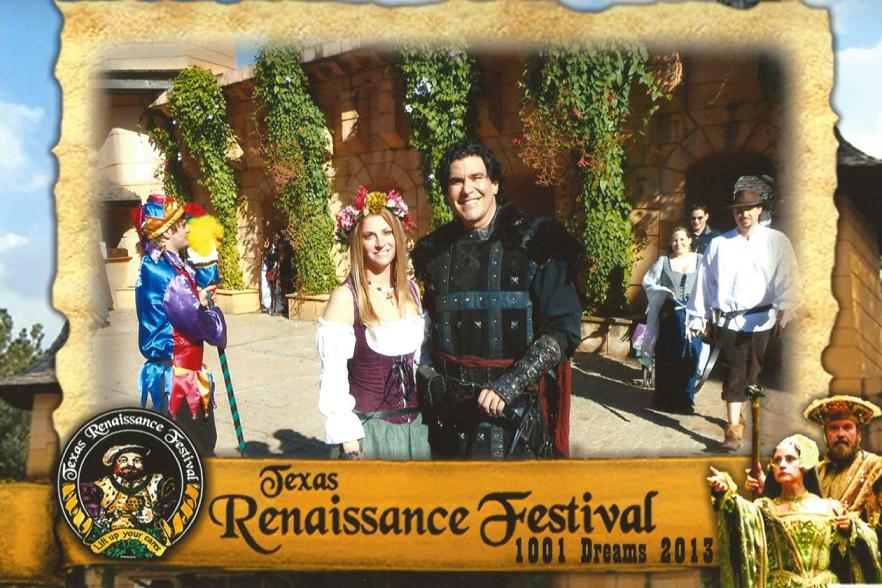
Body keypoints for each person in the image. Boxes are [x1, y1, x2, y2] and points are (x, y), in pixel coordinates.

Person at [412, 139, 584, 459]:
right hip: (449, 423)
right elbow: (424, 329)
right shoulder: (432, 252)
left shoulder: (536, 241)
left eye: (476, 177)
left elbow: (563, 329)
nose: (467, 189)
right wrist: (430, 378)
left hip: (515, 421)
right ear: (447, 192)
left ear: (494, 183)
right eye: (457, 181)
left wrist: (509, 384)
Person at [687, 175, 800, 449]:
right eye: (739, 210)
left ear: (760, 210)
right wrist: (698, 317)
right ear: (733, 213)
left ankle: (742, 415)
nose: (744, 214)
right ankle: (733, 429)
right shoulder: (720, 244)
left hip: (762, 321)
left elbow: (788, 277)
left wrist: (786, 306)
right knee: (734, 373)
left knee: (753, 373)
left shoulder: (777, 242)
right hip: (729, 322)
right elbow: (704, 282)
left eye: (749, 209)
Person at [316, 186, 429, 460]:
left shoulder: (411, 291)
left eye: (387, 232)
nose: (381, 243)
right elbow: (333, 375)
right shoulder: (346, 298)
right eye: (369, 236)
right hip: (371, 432)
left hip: (418, 432)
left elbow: (421, 360)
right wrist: (346, 435)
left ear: (398, 235)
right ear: (358, 242)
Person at [707, 434, 882, 587]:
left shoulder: (830, 508)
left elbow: (868, 540)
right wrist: (725, 492)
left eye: (790, 459)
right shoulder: (765, 509)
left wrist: (850, 528)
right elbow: (740, 515)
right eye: (777, 460)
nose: (782, 465)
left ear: (804, 465)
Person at [133, 194, 227, 456]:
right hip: (178, 379)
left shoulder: (160, 264)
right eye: (183, 224)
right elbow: (200, 324)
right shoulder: (167, 274)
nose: (188, 228)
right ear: (166, 232)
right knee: (197, 449)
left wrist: (205, 272)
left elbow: (193, 297)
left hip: (173, 372)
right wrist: (215, 319)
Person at [750, 395, 882, 542]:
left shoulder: (876, 468)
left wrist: (851, 527)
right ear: (825, 435)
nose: (840, 434)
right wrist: (765, 490)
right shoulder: (814, 471)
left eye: (847, 427)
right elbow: (792, 510)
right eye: (834, 428)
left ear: (858, 434)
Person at [642, 227, 702, 414]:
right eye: (675, 240)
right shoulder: (664, 261)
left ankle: (685, 399)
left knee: (691, 354)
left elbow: (709, 286)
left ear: (690, 240)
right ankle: (664, 397)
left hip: (693, 315)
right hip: (669, 314)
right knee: (667, 354)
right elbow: (648, 282)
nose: (678, 243)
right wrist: (663, 292)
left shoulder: (700, 261)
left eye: (682, 239)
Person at [79, 445, 176, 545]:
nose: (130, 464)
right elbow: (82, 496)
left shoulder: (158, 482)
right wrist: (104, 520)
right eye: (123, 460)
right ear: (115, 464)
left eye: (137, 460)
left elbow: (173, 498)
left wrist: (155, 513)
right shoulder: (102, 485)